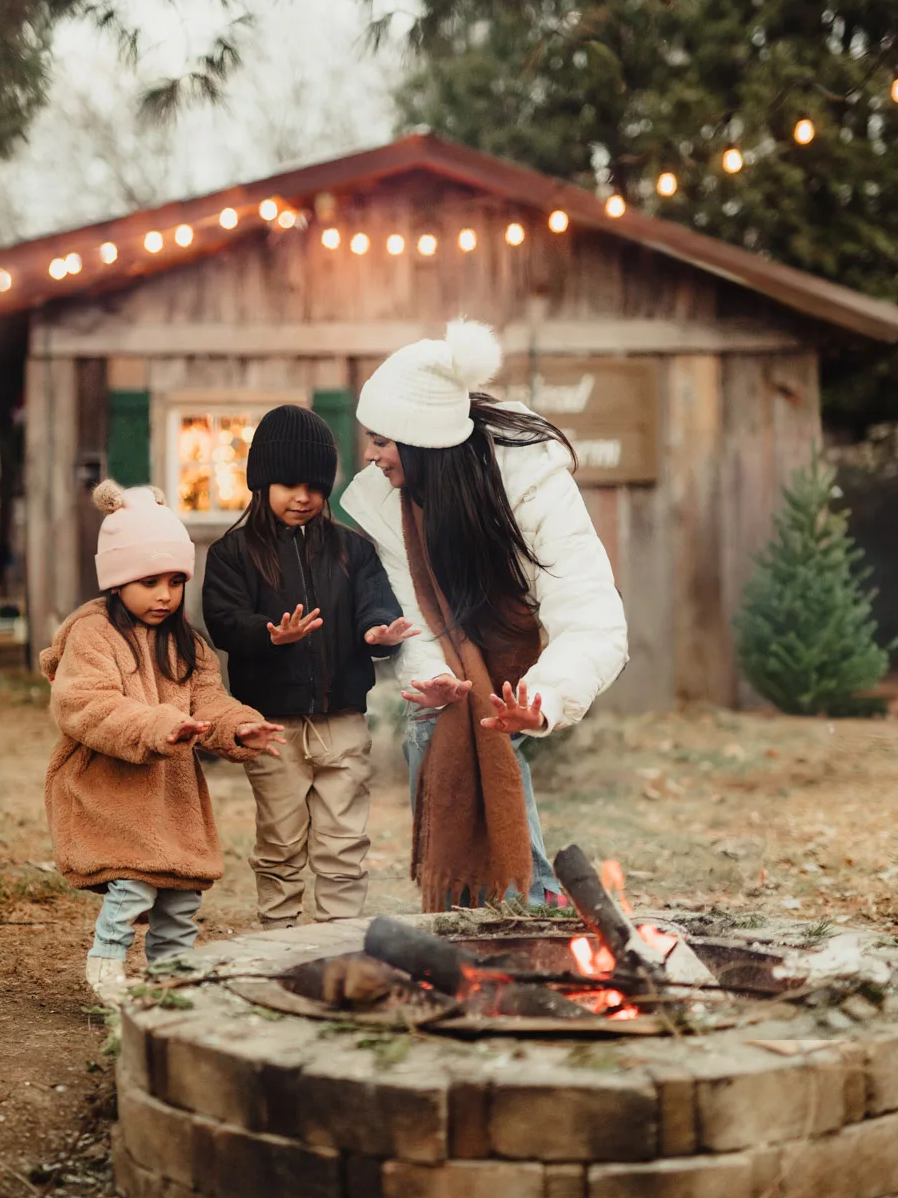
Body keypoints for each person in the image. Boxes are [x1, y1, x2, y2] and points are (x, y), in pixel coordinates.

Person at [340, 318, 629, 912]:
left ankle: (528, 902)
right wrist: (433, 683)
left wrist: (543, 699)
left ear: (422, 443)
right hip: (458, 650)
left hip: (511, 632)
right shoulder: (391, 502)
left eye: (383, 441)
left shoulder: (530, 482)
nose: (371, 456)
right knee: (439, 728)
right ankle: (475, 912)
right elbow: (420, 613)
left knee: (493, 726)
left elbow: (593, 615)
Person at [41, 480, 283, 1006]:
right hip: (110, 788)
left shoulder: (186, 642)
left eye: (175, 581)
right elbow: (86, 705)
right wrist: (155, 725)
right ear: (117, 580)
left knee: (179, 895)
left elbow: (209, 701)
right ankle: (106, 964)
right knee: (134, 883)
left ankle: (171, 981)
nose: (165, 594)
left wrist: (238, 727)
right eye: (149, 581)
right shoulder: (94, 635)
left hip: (170, 796)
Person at [201, 405, 418, 927]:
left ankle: (337, 942)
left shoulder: (352, 550)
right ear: (261, 482)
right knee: (280, 840)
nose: (304, 497)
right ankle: (279, 942)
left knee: (344, 841)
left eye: (316, 487)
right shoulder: (233, 553)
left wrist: (379, 631)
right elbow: (223, 620)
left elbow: (375, 602)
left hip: (341, 719)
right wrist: (269, 635)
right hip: (271, 725)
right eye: (289, 484)